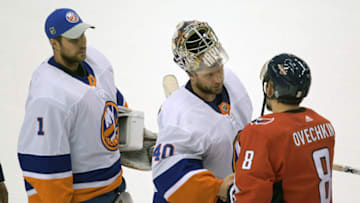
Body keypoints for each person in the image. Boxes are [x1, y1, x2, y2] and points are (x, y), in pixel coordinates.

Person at [17, 8, 131, 202]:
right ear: (55, 44)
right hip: (84, 198)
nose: (82, 43)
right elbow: (44, 169)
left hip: (116, 189)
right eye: (73, 39)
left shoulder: (96, 61)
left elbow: (112, 105)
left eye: (82, 34)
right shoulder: (48, 97)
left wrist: (134, 136)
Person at [152, 20, 253, 203]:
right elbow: (167, 178)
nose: (217, 79)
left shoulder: (232, 81)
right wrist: (218, 188)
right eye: (209, 74)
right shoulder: (178, 115)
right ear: (190, 73)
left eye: (219, 67)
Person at [228, 53, 335, 203]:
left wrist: (229, 191)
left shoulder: (261, 133)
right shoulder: (324, 126)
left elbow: (250, 198)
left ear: (270, 89)